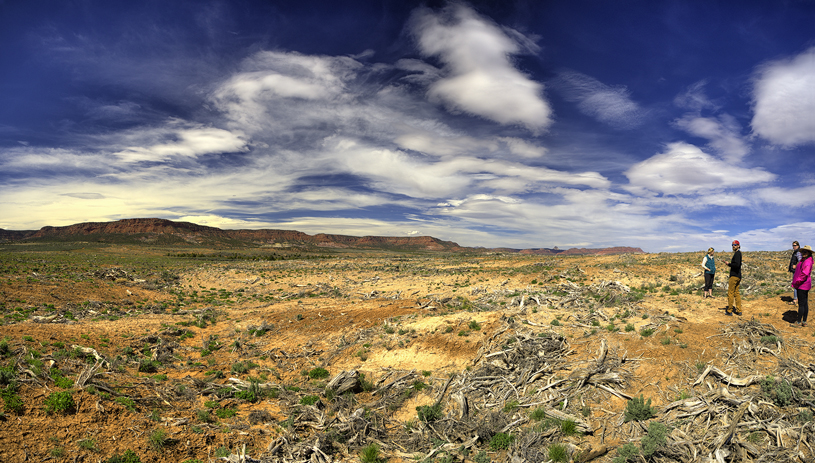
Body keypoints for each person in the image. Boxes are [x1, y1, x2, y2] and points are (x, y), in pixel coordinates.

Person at [792, 245, 813, 327]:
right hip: (804, 284)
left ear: (809, 253)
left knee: (801, 304)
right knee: (804, 303)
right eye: (803, 251)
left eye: (805, 252)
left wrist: (797, 281)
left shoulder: (807, 261)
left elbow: (804, 274)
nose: (803, 253)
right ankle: (804, 321)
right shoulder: (805, 260)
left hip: (802, 285)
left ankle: (798, 322)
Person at [724, 240, 742, 316]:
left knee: (730, 293)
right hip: (738, 276)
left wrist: (729, 264)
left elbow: (737, 265)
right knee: (736, 293)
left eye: (735, 245)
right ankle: (739, 310)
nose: (733, 246)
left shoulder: (737, 254)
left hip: (734, 276)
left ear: (738, 246)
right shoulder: (738, 254)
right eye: (732, 245)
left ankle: (729, 310)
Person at [789, 241, 802, 306]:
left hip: (797, 271)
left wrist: (796, 266)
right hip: (796, 271)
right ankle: (797, 299)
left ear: (798, 246)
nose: (794, 247)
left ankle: (795, 299)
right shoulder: (796, 252)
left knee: (795, 285)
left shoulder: (798, 252)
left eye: (795, 245)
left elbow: (800, 262)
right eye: (793, 245)